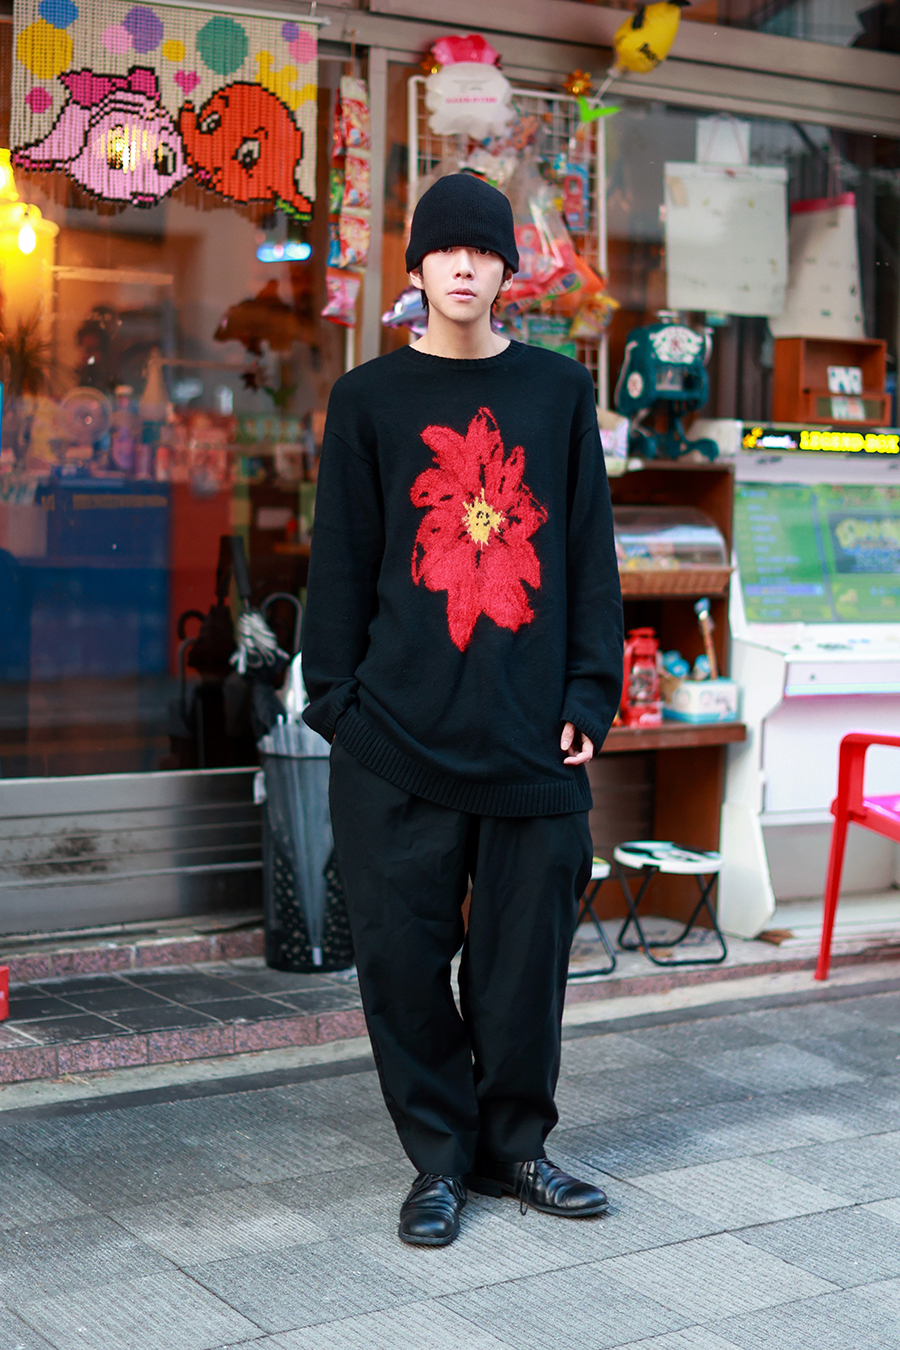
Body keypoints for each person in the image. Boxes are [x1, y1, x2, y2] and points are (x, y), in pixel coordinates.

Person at [302, 172, 623, 1247]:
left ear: (506, 270)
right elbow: (341, 561)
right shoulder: (368, 399)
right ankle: (438, 1161)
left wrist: (590, 693)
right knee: (399, 964)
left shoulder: (558, 392)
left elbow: (588, 554)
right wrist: (335, 702)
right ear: (417, 266)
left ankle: (515, 1149)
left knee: (523, 968)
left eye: (484, 251)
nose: (464, 267)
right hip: (394, 735)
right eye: (445, 250)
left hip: (533, 735)